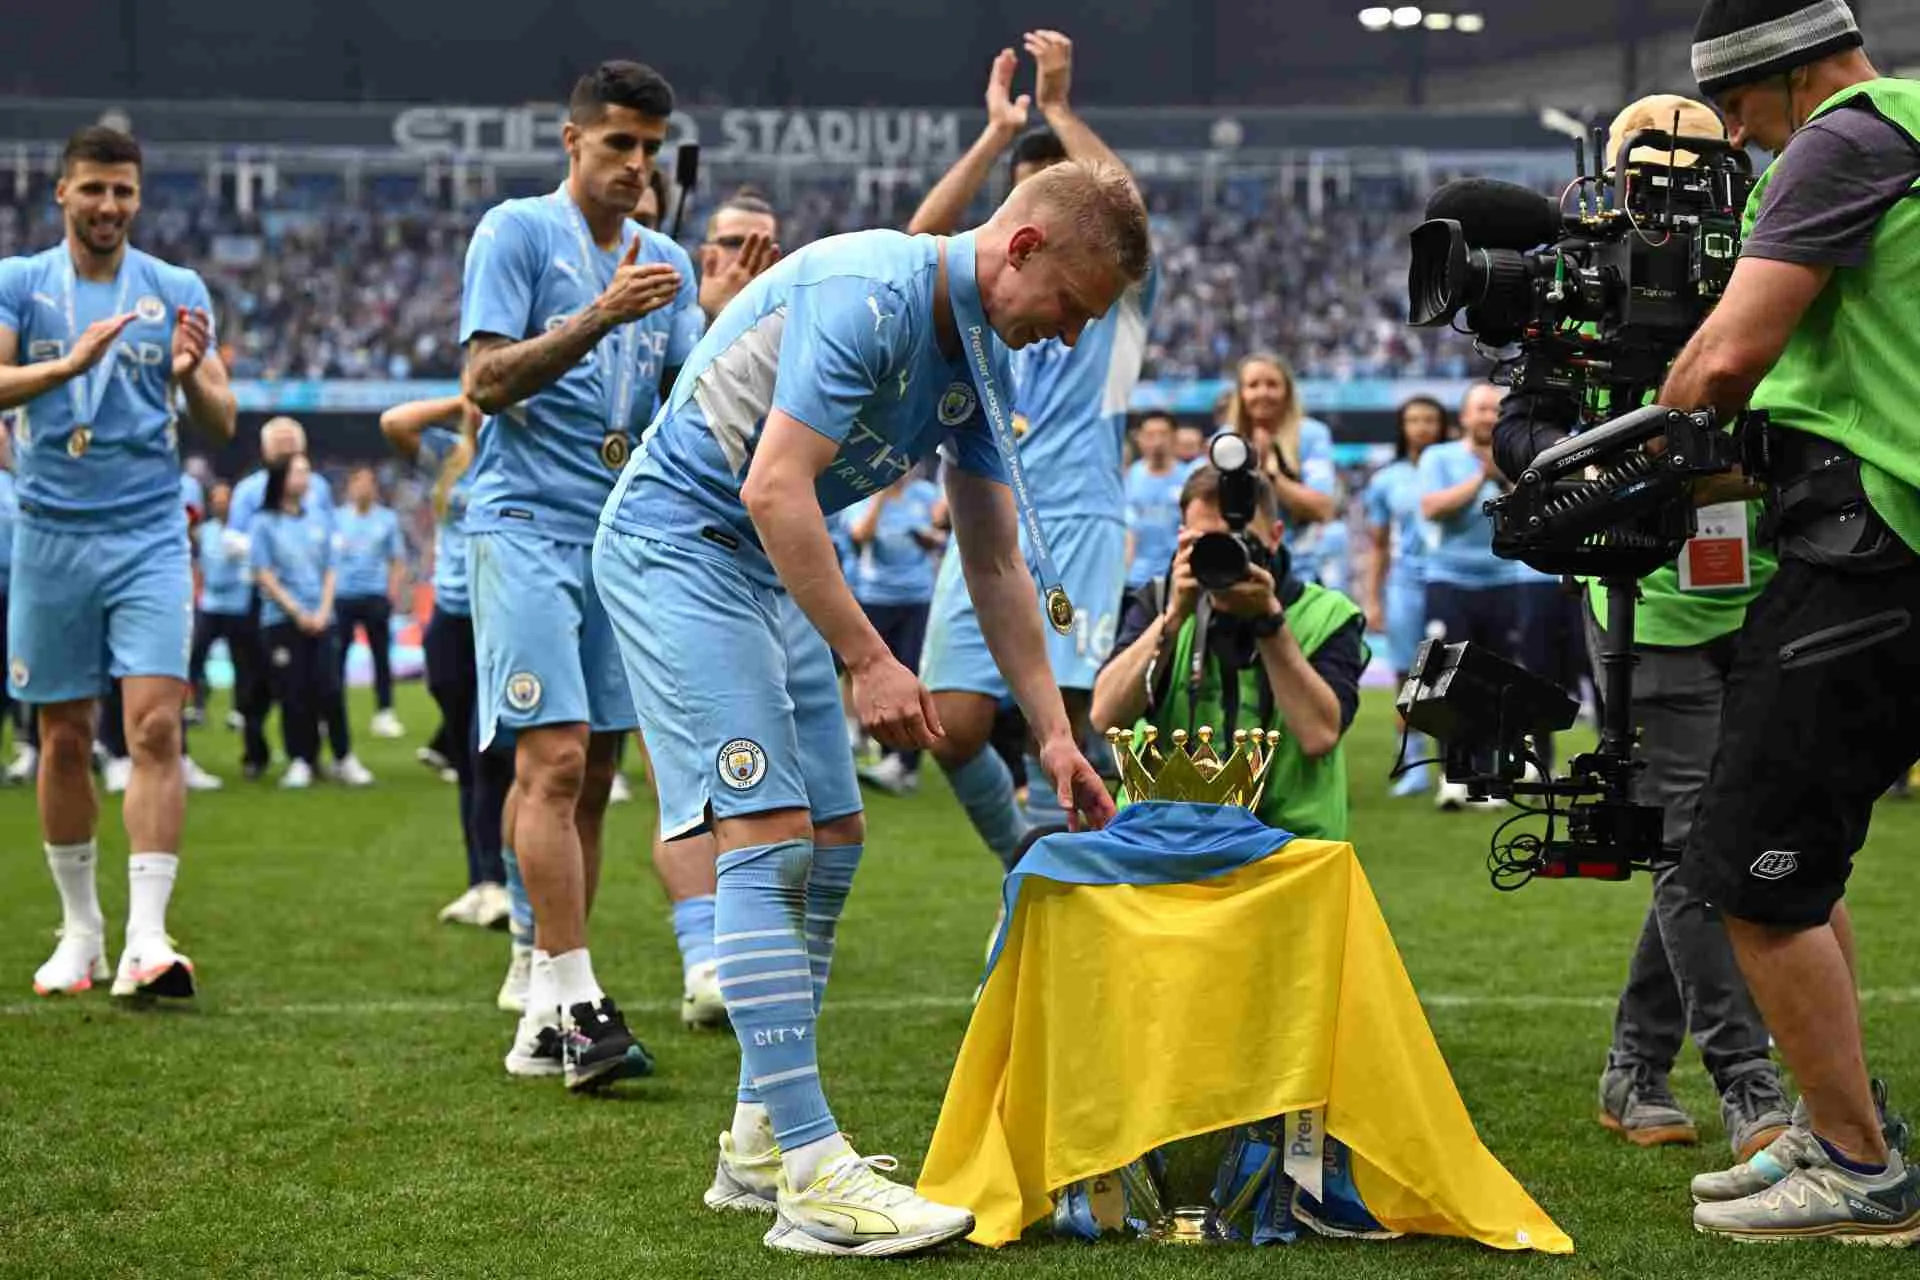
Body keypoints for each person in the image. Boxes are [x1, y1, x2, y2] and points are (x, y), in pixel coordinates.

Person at [594, 154, 1145, 1255]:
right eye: (1072, 309)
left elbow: (992, 563)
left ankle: (755, 1137)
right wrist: (868, 657)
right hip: (681, 548)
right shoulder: (871, 291)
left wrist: (1051, 730)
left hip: (762, 567)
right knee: (765, 839)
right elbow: (771, 484)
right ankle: (809, 1174)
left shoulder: (985, 351)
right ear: (1023, 248)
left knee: (836, 833)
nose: (1071, 338)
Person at [1654, 0, 1920, 1241]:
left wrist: (1630, 455)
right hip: (1883, 537)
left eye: (1745, 114)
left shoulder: (1843, 137)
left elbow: (1724, 362)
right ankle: (1840, 1117)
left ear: (1786, 74)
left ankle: (1862, 1168)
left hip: (1875, 544)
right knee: (1797, 858)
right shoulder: (1900, 127)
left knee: (1750, 863)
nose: (1748, 144)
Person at [1492, 94, 1800, 1168]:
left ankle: (1634, 1063)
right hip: (1651, 600)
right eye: (1653, 166)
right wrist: (1626, 460)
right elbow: (1519, 426)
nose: (1671, 190)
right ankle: (1747, 1075)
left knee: (1712, 837)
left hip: (1767, 585)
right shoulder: (1581, 283)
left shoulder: (1775, 262)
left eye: (1691, 166)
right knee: (1690, 844)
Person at [459, 59, 701, 1090]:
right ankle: (574, 992)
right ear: (572, 142)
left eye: (649, 148)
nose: (636, 166)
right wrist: (599, 316)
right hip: (521, 525)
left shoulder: (668, 264)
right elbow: (483, 380)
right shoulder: (514, 233)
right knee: (552, 761)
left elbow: (681, 404)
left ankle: (543, 1017)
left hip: (616, 538)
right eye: (618, 145)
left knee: (596, 774)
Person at [913, 31, 1158, 874]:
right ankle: (1027, 858)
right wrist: (992, 136)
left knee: (1075, 717)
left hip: (1077, 513)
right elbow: (917, 242)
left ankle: (1085, 880)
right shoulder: (983, 291)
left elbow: (1129, 214)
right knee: (951, 720)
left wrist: (1056, 109)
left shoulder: (1113, 301)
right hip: (989, 513)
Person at [0, 126, 237, 999]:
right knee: (61, 739)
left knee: (155, 728)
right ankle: (81, 931)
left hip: (146, 533)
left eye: (123, 193)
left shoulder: (173, 288)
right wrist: (67, 365)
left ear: (140, 200)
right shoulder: (19, 284)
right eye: (93, 190)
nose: (108, 207)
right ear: (61, 193)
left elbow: (224, 415)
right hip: (50, 532)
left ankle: (147, 937)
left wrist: (187, 376)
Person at [1091, 466, 1368, 839]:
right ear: (1182, 539)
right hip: (1163, 835)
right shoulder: (1159, 601)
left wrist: (1269, 623)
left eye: (1238, 543)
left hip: (1287, 845)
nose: (1222, 558)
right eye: (1206, 543)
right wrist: (1173, 618)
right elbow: (1105, 716)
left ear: (1274, 538)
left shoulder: (1328, 615)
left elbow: (1318, 735)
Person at [381, 394, 515, 939]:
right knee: (464, 755)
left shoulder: (522, 452)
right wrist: (466, 399)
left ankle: (500, 880)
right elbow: (393, 421)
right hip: (451, 617)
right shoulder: (446, 453)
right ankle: (481, 881)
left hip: (499, 618)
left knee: (488, 757)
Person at [1418, 383, 1538, 809]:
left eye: (1495, 409)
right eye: (1480, 409)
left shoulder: (1522, 460)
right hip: (1450, 579)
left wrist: (1503, 475)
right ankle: (1454, 774)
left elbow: (1534, 509)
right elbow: (1432, 508)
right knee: (1447, 678)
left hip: (1506, 578)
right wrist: (1479, 479)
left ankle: (1493, 773)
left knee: (1500, 680)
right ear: (1464, 417)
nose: (1488, 417)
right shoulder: (1439, 457)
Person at [229, 417, 335, 778]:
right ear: (265, 449)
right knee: (256, 685)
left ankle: (310, 756)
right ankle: (255, 754)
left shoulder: (318, 488)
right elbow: (233, 539)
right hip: (263, 598)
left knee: (316, 682)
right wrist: (269, 551)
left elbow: (326, 538)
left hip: (309, 597)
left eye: (293, 440)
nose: (287, 447)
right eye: (280, 441)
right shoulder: (248, 492)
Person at [1363, 396, 1448, 797]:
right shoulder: (1387, 479)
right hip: (1406, 584)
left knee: (1454, 670)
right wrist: (1374, 598)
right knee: (1406, 674)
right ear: (1402, 427)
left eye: (1430, 419)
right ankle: (1413, 762)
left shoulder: (1456, 466)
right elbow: (1378, 544)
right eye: (1413, 419)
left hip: (1452, 580)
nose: (1422, 427)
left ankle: (1455, 760)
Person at [848, 464, 946, 796]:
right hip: (876, 598)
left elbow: (941, 532)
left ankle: (906, 763)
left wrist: (927, 536)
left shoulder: (925, 493)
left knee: (914, 674)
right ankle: (886, 754)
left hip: (917, 598)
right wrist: (880, 496)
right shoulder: (862, 493)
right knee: (879, 677)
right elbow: (859, 535)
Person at [249, 454, 345, 790]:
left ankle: (342, 756)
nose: (306, 478)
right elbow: (263, 574)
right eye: (299, 472)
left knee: (330, 688)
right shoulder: (263, 522)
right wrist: (298, 612)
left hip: (323, 616)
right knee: (294, 692)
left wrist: (322, 610)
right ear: (281, 478)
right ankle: (300, 760)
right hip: (282, 620)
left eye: (308, 470)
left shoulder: (320, 518)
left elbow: (331, 568)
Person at [1226, 353, 1338, 586]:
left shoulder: (1311, 435)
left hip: (1299, 572)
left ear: (1287, 391)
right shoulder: (1225, 441)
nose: (1263, 393)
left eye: (1272, 384)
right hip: (1236, 572)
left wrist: (1268, 475)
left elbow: (1323, 508)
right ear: (1241, 394)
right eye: (1253, 385)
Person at [332, 467, 408, 740]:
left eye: (368, 483)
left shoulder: (387, 519)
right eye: (357, 483)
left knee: (381, 657)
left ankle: (384, 712)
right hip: (342, 596)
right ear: (349, 488)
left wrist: (392, 592)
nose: (362, 489)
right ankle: (332, 712)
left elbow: (397, 559)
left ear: (375, 488)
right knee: (336, 659)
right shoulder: (336, 518)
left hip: (375, 595)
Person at [189, 481, 252, 728]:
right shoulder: (205, 532)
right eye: (216, 499)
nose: (220, 503)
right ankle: (199, 705)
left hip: (237, 604)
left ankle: (238, 711)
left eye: (224, 498)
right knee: (196, 656)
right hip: (210, 603)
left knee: (241, 661)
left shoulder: (243, 531)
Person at [1123, 412, 1185, 595]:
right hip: (1136, 579)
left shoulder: (1188, 478)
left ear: (1175, 437)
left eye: (1163, 434)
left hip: (1174, 577)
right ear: (1140, 439)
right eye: (1150, 435)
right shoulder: (1129, 478)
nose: (1157, 441)